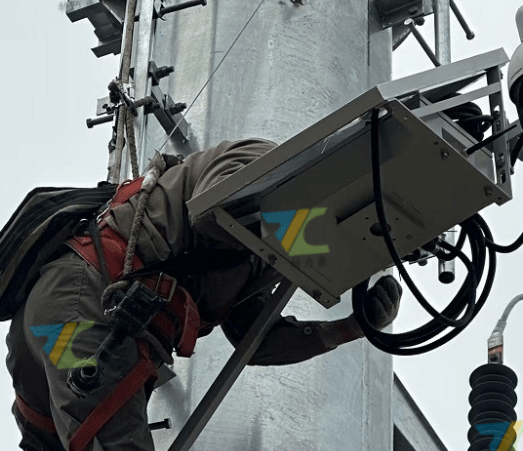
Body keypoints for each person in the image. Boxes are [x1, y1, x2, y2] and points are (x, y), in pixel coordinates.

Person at [5, 138, 402, 451]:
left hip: (70, 322)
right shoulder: (268, 160)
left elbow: (256, 341)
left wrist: (352, 328)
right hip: (84, 303)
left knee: (69, 434)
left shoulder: (265, 253)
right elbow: (212, 213)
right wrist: (323, 236)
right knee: (115, 440)